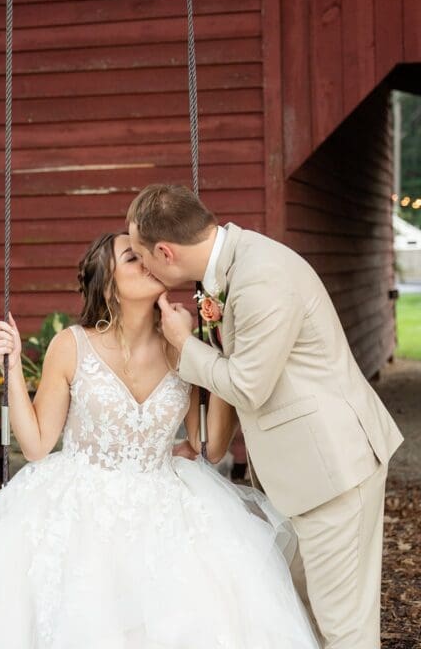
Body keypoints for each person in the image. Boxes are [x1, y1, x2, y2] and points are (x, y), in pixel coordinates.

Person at [0, 233, 319, 648]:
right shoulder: (70, 345)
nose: (149, 261)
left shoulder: (179, 345)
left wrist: (213, 352)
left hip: (166, 499)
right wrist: (9, 367)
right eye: (133, 257)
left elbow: (213, 445)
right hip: (78, 504)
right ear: (108, 283)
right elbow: (37, 445)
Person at [128, 183, 403, 649]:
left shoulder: (262, 278)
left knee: (345, 629)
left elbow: (249, 387)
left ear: (165, 252)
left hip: (333, 470)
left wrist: (184, 343)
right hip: (302, 475)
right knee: (304, 612)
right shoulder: (232, 265)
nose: (144, 267)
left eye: (141, 256)